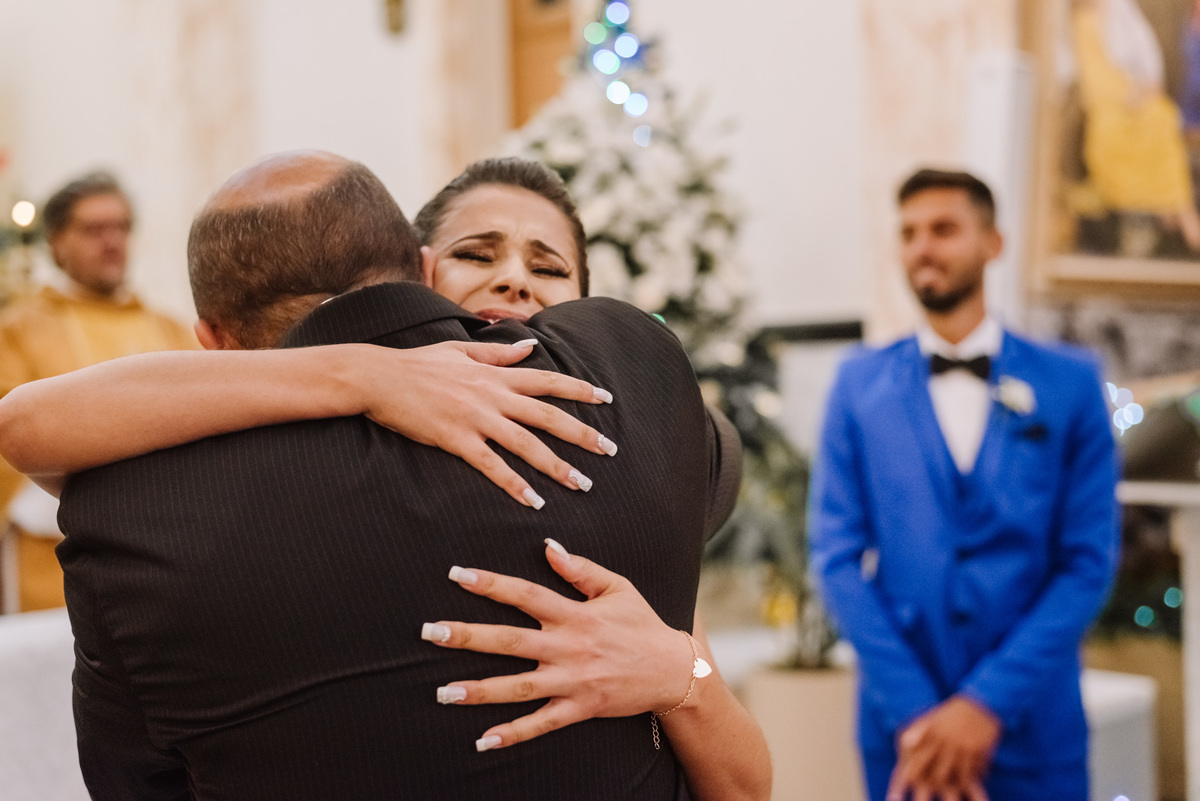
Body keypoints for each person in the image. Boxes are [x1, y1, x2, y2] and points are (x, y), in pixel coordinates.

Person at [37, 151, 767, 800]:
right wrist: (364, 374)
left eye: (549, 269)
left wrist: (681, 672)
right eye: (476, 253)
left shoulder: (624, 443)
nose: (514, 281)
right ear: (420, 272)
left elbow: (744, 785)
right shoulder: (638, 398)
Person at [811, 168, 1119, 801]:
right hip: (905, 737)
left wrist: (985, 705)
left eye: (944, 229)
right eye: (909, 233)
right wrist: (918, 713)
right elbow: (834, 557)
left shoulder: (1071, 383)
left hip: (1033, 730)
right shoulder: (856, 385)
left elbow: (1088, 562)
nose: (922, 247)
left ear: (993, 242)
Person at [0, 171, 196, 612]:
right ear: (56, 242)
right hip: (55, 549)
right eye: (93, 229)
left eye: (121, 227)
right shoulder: (17, 331)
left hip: (168, 546)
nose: (112, 242)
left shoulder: (170, 330)